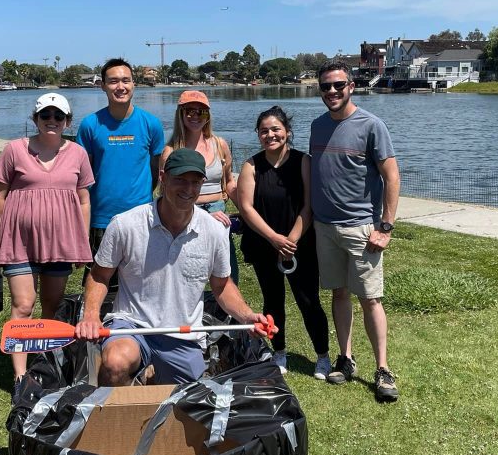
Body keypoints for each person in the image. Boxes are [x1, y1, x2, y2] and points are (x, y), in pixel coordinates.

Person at [75, 148, 273, 385]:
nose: (188, 189)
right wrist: (90, 316)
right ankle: (114, 414)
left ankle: (152, 374)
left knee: (190, 403)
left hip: (184, 334)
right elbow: (99, 276)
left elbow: (221, 286)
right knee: (116, 362)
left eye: (195, 182)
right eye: (180, 180)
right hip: (132, 325)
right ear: (163, 178)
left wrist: (247, 316)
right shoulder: (125, 224)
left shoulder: (214, 231)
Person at [0, 92, 93, 402]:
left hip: (60, 243)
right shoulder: (14, 150)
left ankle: (47, 367)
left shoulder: (78, 154)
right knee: (23, 304)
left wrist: (81, 241)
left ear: (67, 121)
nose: (51, 121)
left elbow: (84, 200)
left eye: (58, 117)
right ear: (35, 120)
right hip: (19, 240)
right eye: (45, 116)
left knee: (52, 305)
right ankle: (20, 375)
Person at [310, 61, 401, 403]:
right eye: (325, 87)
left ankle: (382, 369)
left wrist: (385, 227)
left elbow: (392, 177)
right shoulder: (317, 128)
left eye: (338, 85)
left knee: (370, 299)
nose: (332, 92)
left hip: (361, 227)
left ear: (351, 86)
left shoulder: (372, 125)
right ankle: (345, 358)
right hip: (325, 227)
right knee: (339, 294)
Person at [238, 106, 330, 378]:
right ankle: (278, 352)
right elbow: (246, 207)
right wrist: (274, 239)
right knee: (272, 301)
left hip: (300, 243)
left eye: (275, 129)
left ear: (287, 132)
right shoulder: (251, 165)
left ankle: (322, 356)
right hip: (264, 245)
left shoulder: (303, 161)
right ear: (258, 135)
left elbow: (308, 205)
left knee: (309, 301)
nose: (270, 135)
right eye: (264, 131)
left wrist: (290, 240)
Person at [76, 58, 165, 260]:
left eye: (126, 80)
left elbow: (155, 170)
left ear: (134, 84)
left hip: (142, 217)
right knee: (101, 282)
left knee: (142, 283)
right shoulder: (90, 125)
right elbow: (83, 175)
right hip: (101, 218)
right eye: (114, 81)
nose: (121, 87)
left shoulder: (151, 124)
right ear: (103, 86)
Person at [161, 89, 239, 284]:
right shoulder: (170, 151)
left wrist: (247, 210)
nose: (195, 116)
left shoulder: (219, 145)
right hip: (184, 214)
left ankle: (227, 313)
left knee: (227, 273)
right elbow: (166, 195)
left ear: (208, 116)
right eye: (189, 111)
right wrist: (202, 217)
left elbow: (229, 182)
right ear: (181, 113)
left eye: (201, 112)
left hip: (219, 214)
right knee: (185, 273)